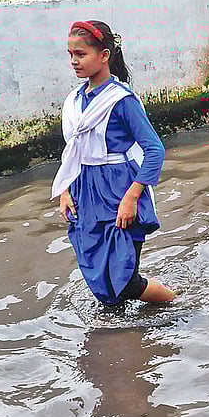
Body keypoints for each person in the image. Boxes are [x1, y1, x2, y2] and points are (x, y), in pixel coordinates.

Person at [52, 20, 174, 307]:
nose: (74, 62)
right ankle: (124, 340)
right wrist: (66, 191)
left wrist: (133, 197)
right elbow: (73, 150)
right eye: (71, 55)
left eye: (81, 54)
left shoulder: (121, 100)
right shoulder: (74, 101)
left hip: (119, 191)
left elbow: (154, 150)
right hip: (85, 192)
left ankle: (176, 303)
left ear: (104, 55)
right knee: (99, 277)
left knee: (126, 280)